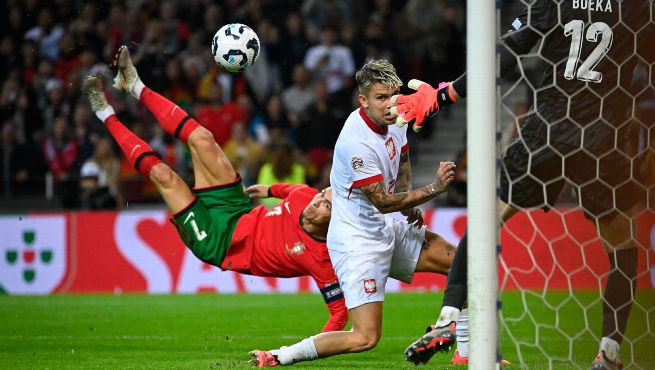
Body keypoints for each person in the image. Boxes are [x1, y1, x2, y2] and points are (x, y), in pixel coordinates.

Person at [392, 1, 654, 369]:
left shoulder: (553, 4)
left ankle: (448, 318)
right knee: (623, 248)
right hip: (602, 140)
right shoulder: (636, 8)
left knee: (486, 224)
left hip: (544, 135)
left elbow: (503, 56)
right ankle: (609, 352)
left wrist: (444, 95)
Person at [81, 45, 346, 333]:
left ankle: (105, 113)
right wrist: (269, 189)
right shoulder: (307, 196)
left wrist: (303, 351)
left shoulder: (321, 259)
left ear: (331, 223)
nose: (317, 201)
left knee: (164, 176)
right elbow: (292, 189)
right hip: (237, 208)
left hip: (217, 243)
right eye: (322, 194)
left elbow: (339, 317)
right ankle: (134, 84)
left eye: (326, 205)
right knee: (203, 139)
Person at [249, 59, 458, 367]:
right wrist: (433, 190)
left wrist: (409, 199)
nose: (390, 105)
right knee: (365, 338)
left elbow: (402, 157)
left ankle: (462, 350)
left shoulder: (398, 117)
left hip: (383, 228)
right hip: (357, 243)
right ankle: (278, 356)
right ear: (363, 100)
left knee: (463, 263)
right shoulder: (356, 142)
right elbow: (382, 202)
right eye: (380, 98)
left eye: (393, 95)